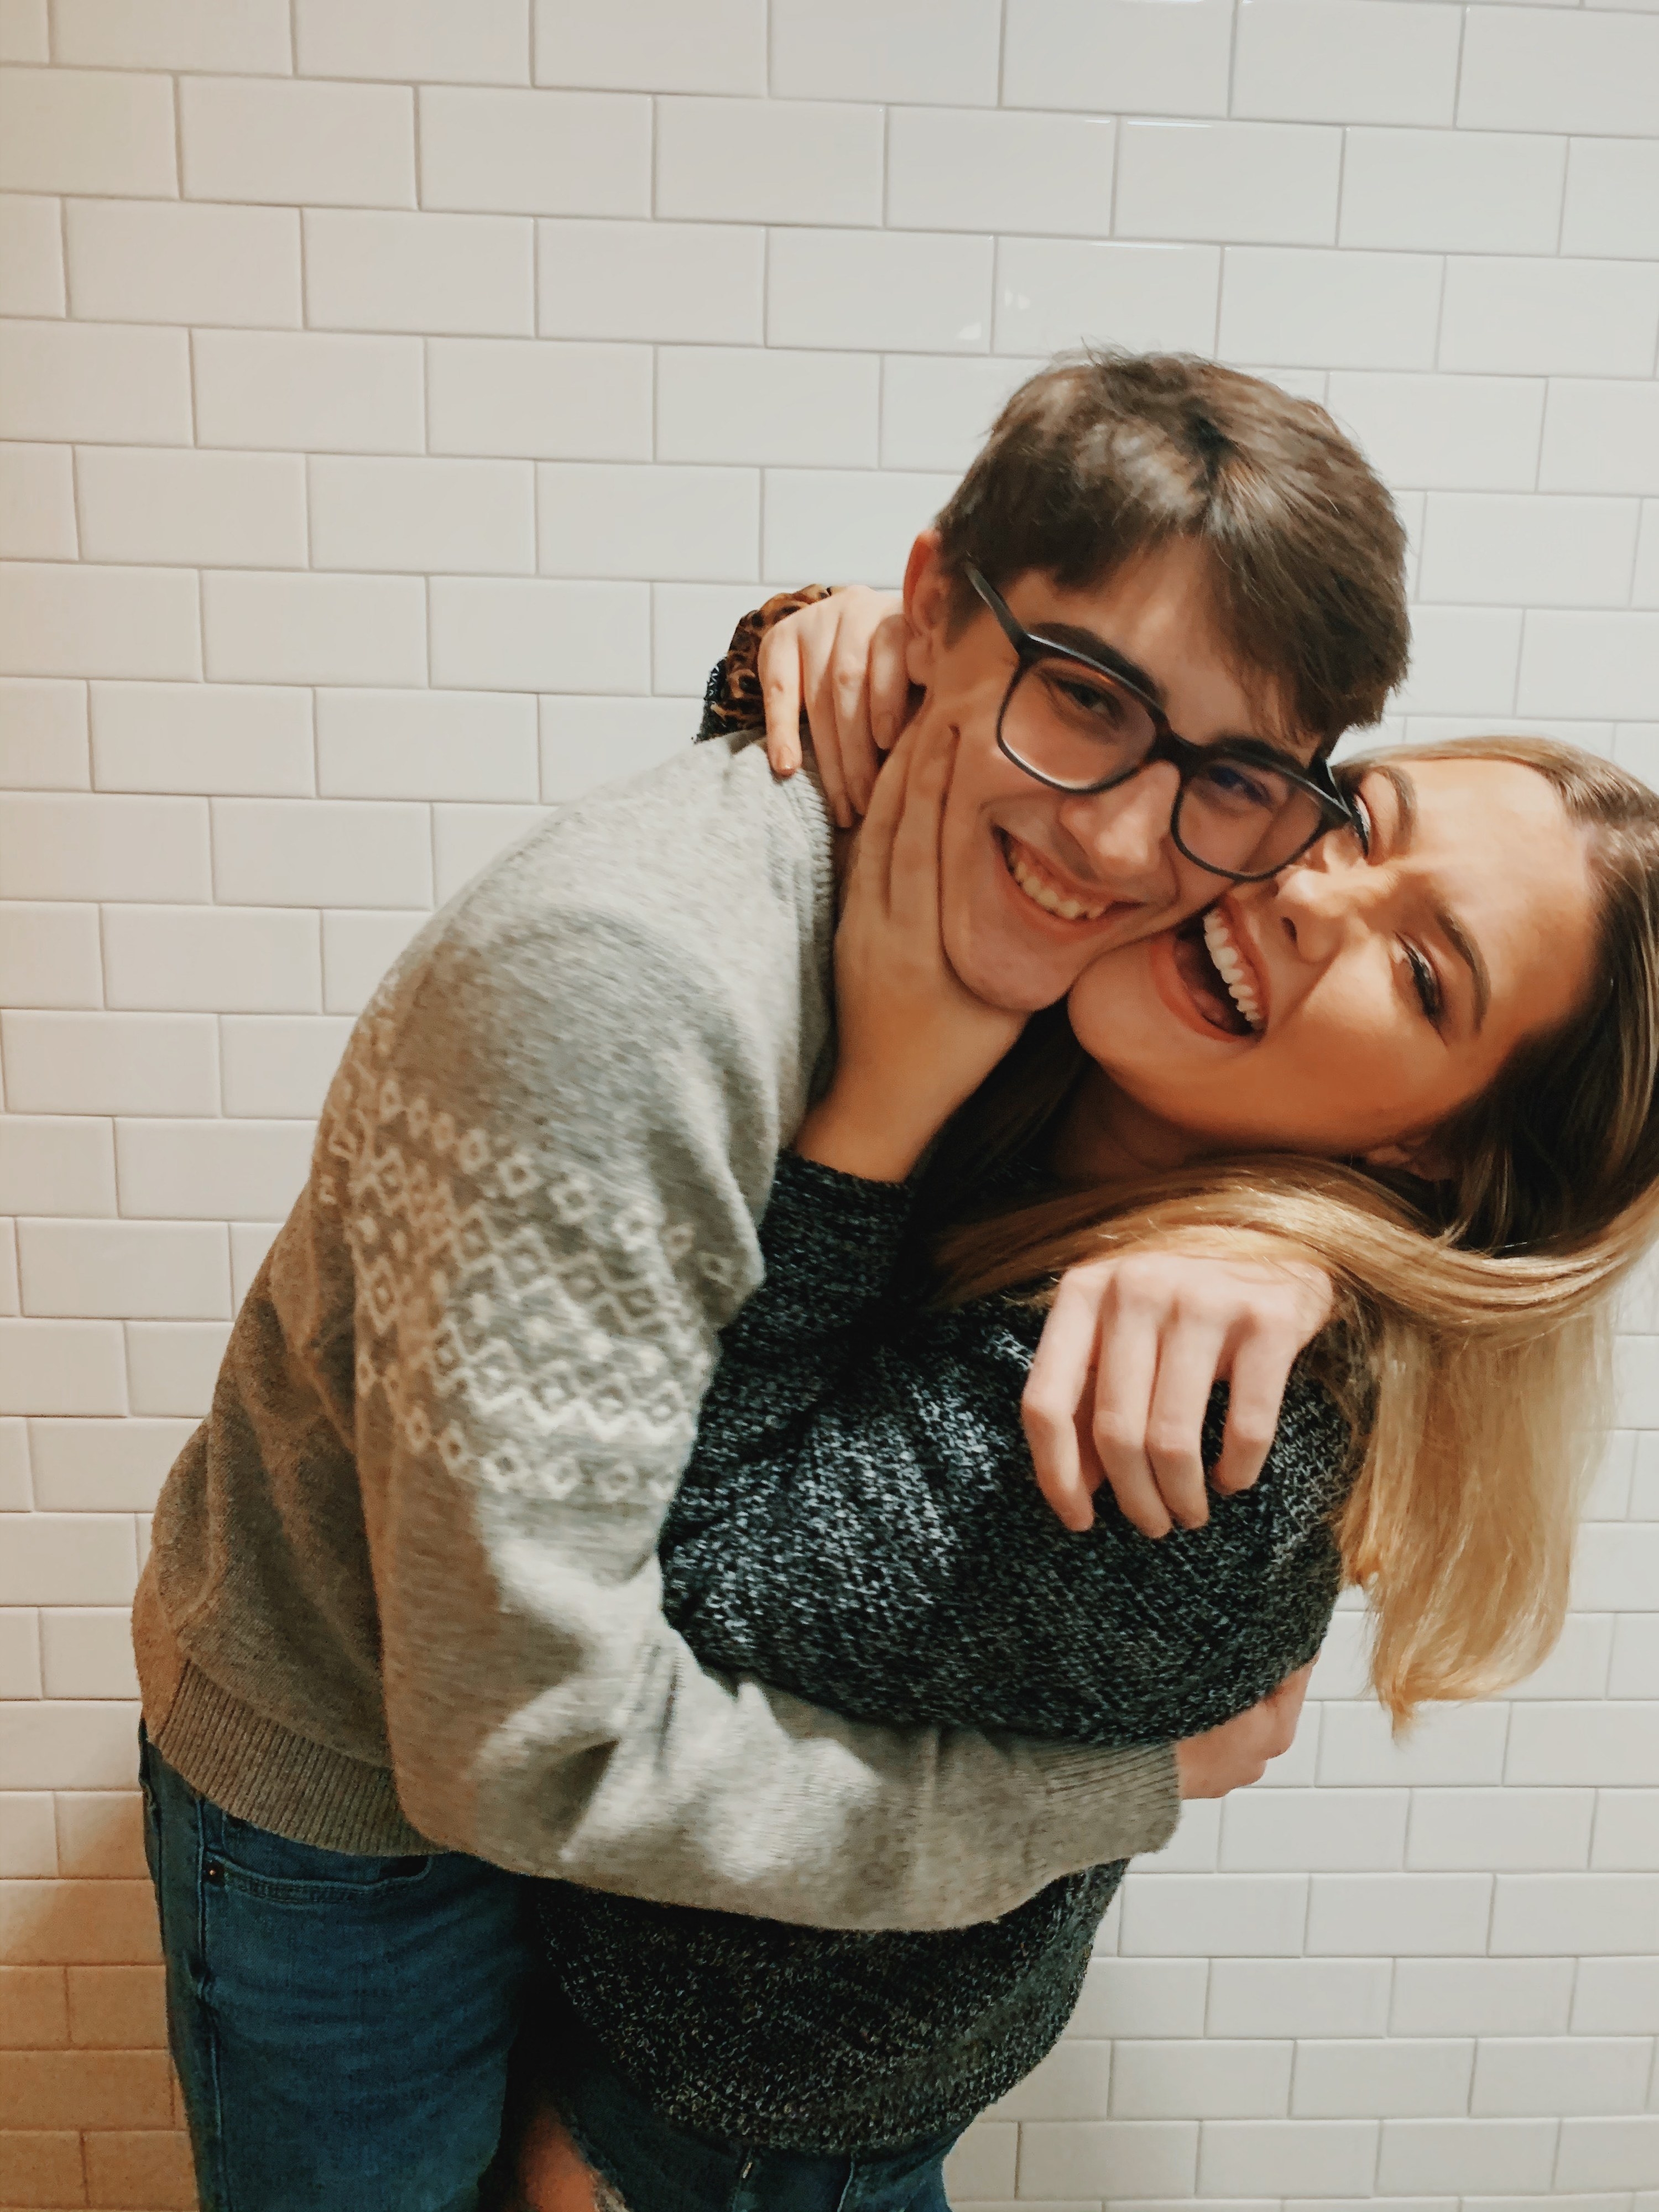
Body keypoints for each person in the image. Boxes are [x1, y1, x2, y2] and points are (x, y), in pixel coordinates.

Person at [134, 354, 1412, 2210]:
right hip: (357, 1805)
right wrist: (1115, 1784)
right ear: (924, 622)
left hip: (637, 1807)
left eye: (1225, 776)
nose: (1128, 844)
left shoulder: (1094, 952)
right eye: (1082, 698)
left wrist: (1275, 1243)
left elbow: (1493, 1111)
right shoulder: (626, 991)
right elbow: (522, 1758)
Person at [514, 705, 1659, 2212]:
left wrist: (873, 1123)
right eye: (1358, 819)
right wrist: (821, 643)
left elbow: (664, 1576)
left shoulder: (1191, 1448)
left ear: (1431, 1151)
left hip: (712, 2122)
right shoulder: (1078, 1078)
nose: (1312, 894)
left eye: (1425, 970)